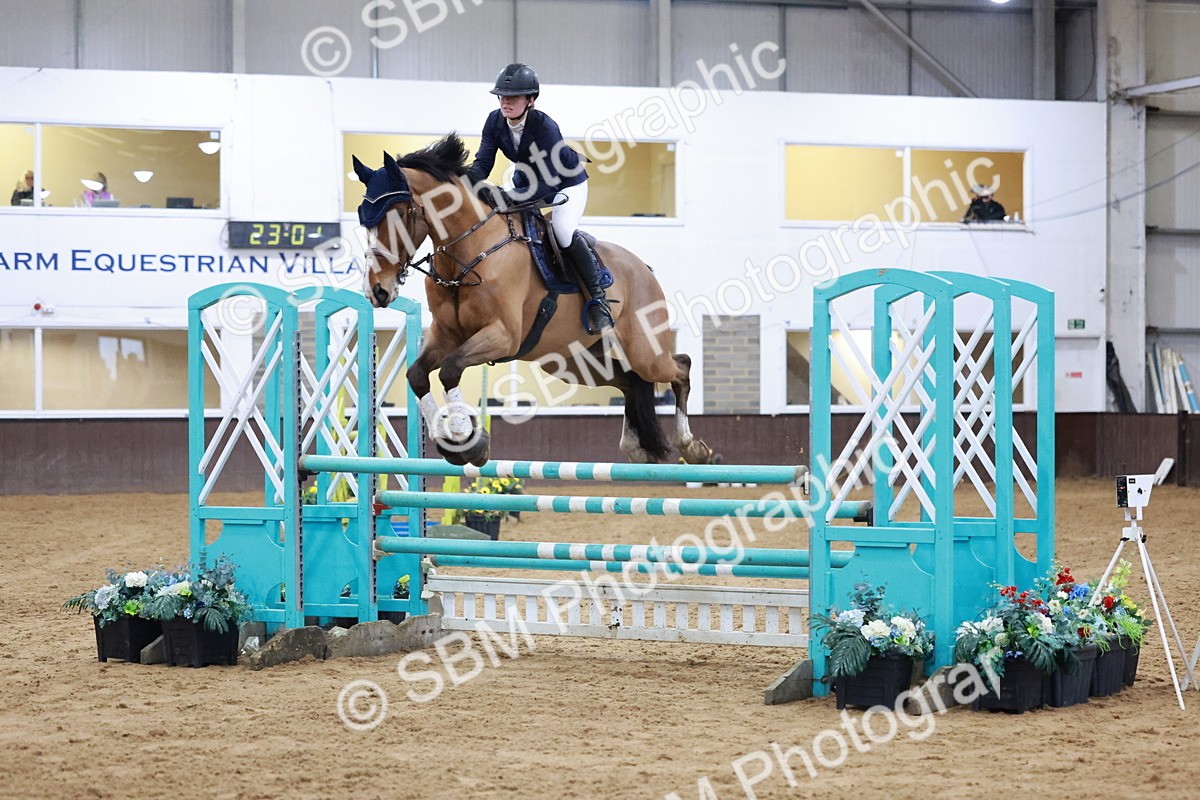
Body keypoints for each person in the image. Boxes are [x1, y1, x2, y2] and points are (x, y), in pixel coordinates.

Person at [465, 63, 612, 333]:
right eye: (502, 96)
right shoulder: (494, 121)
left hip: (565, 182)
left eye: (514, 97)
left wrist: (508, 196)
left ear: (530, 100)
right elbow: (483, 163)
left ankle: (598, 299)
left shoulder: (545, 127)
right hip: (530, 180)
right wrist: (463, 184)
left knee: (562, 231)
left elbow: (549, 182)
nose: (505, 102)